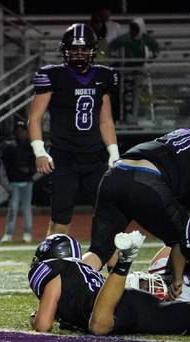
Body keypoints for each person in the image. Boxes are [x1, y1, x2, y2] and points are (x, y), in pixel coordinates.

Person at [83, 128, 190, 300]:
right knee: (185, 237)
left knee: (99, 250)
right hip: (147, 179)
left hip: (115, 173)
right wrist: (177, 279)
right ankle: (177, 283)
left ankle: (68, 291)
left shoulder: (188, 133)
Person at [28, 23, 119, 237]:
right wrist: (40, 152)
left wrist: (114, 154)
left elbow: (106, 121)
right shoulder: (53, 75)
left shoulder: (104, 76)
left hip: (95, 157)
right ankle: (52, 263)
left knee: (108, 216)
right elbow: (34, 118)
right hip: (64, 158)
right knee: (60, 218)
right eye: (74, 49)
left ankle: (115, 266)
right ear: (65, 50)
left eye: (84, 49)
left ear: (92, 50)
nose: (79, 53)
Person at [29, 232, 190, 335]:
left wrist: (34, 319)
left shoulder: (57, 269)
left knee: (98, 325)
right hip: (128, 303)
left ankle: (125, 261)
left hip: (108, 308)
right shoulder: (79, 271)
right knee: (185, 317)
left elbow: (43, 325)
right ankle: (123, 262)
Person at [110, 18, 161, 123]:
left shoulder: (146, 39)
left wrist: (150, 60)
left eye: (136, 28)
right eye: (132, 28)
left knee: (136, 95)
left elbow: (156, 49)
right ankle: (124, 117)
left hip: (139, 70)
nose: (134, 31)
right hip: (126, 70)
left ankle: (133, 117)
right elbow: (111, 46)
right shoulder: (125, 38)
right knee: (125, 94)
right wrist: (114, 57)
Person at [0, 121, 36, 243]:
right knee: (13, 208)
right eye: (18, 131)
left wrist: (28, 171)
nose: (20, 133)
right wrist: (14, 175)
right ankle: (8, 234)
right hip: (15, 182)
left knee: (26, 208)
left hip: (27, 181)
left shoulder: (31, 146)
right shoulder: (10, 146)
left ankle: (27, 233)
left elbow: (34, 164)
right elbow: (8, 165)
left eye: (22, 130)